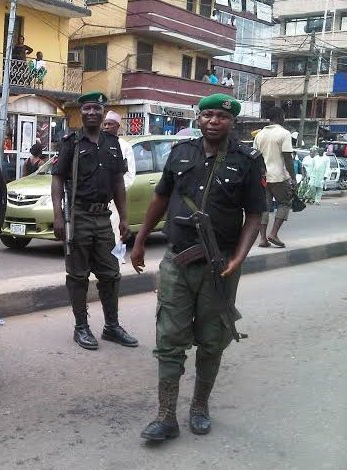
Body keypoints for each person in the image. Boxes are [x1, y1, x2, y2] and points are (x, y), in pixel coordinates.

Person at [131, 93, 265, 441]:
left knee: (212, 340)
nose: (212, 121)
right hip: (177, 259)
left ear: (231, 121)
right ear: (198, 119)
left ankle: (200, 406)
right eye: (207, 115)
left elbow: (254, 214)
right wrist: (141, 239)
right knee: (169, 339)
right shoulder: (180, 154)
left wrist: (238, 257)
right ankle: (165, 416)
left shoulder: (248, 160)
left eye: (221, 116)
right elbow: (160, 198)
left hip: (219, 265)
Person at [51, 92, 138, 350]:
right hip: (78, 216)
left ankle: (112, 326)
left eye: (96, 108)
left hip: (103, 218)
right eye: (87, 108)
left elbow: (118, 182)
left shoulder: (113, 143)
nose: (91, 113)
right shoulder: (71, 142)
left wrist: (124, 218)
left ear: (103, 112)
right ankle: (81, 327)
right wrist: (58, 216)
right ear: (81, 112)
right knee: (78, 276)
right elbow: (57, 179)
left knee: (111, 274)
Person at [253, 106, 295, 248]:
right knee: (285, 203)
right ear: (279, 116)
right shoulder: (284, 133)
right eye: (283, 115)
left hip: (263, 176)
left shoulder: (259, 135)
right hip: (279, 176)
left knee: (264, 207)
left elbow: (255, 157)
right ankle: (274, 234)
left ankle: (263, 239)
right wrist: (293, 178)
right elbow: (288, 157)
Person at [102, 110, 137, 263]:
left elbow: (129, 174)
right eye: (105, 124)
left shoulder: (124, 147)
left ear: (117, 126)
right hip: (101, 195)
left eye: (110, 124)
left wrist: (118, 192)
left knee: (117, 226)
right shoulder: (98, 143)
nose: (107, 127)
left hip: (116, 194)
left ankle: (118, 256)